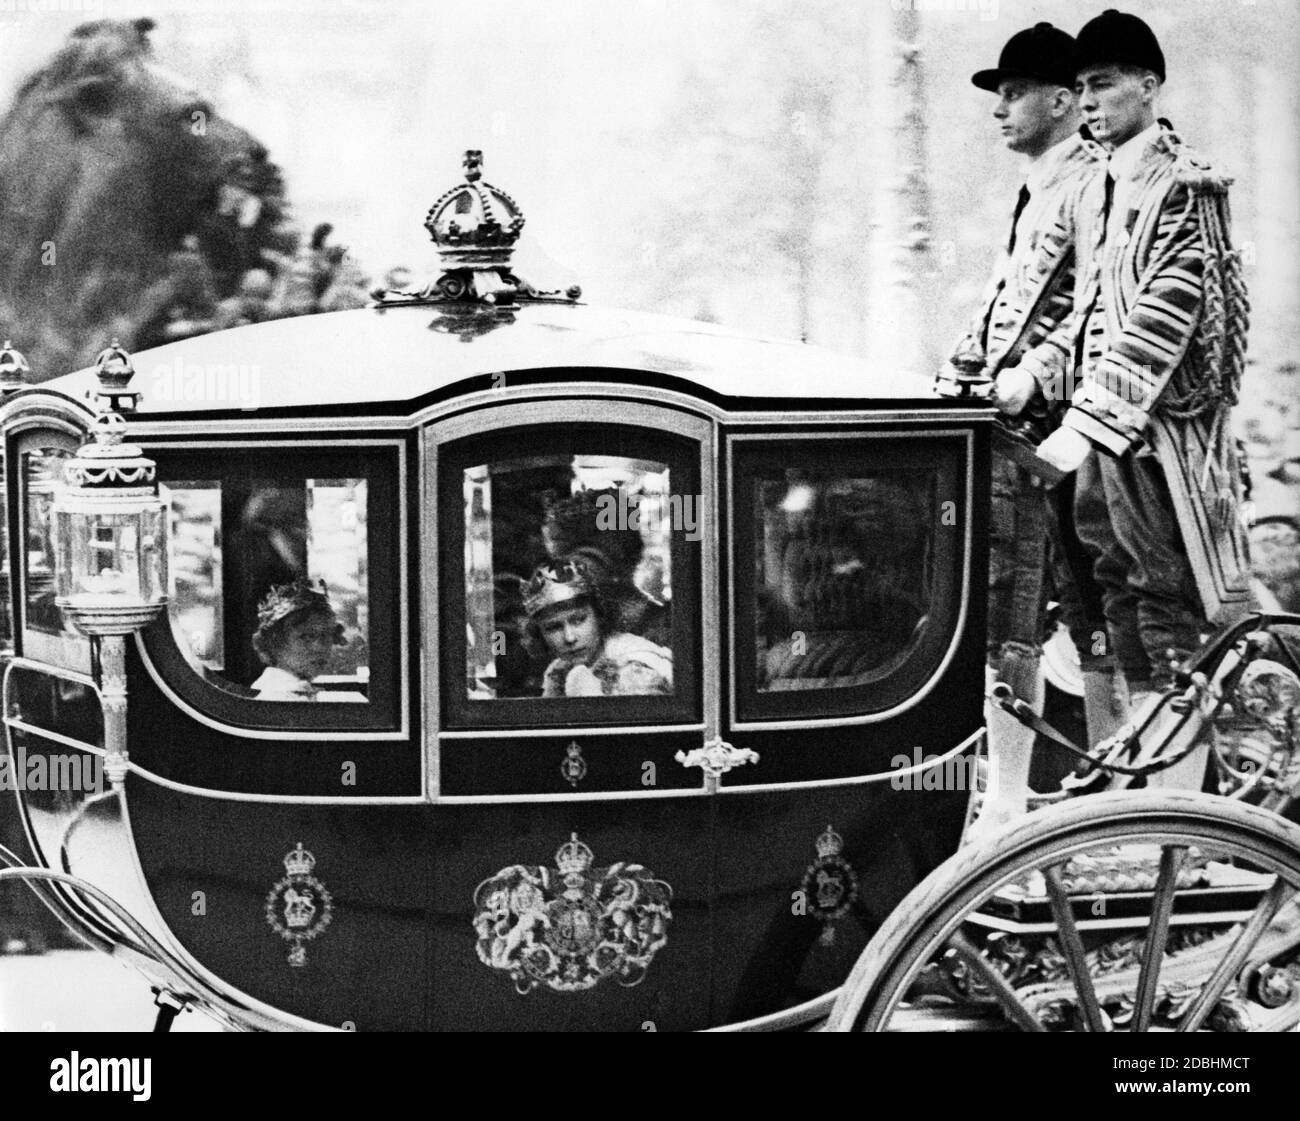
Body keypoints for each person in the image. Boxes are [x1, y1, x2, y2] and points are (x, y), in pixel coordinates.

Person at [1032, 11, 1252, 737]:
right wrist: (1043, 373)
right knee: (1121, 594)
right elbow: (1089, 310)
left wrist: (1088, 419)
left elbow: (1168, 311)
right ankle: (1156, 771)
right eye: (1081, 89)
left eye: (1104, 84)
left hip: (1163, 441)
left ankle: (1187, 799)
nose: (1088, 102)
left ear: (1149, 85)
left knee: (1168, 603)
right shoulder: (1102, 190)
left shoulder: (1186, 185)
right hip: (1108, 440)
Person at [939, 22, 1117, 830]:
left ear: (1061, 100)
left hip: (1060, 432)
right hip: (1022, 430)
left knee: (1087, 620)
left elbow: (1097, 308)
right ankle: (1011, 801)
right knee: (1021, 617)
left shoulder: (1092, 180)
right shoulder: (1043, 182)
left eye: (1013, 93)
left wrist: (1033, 374)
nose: (999, 109)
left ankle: (1090, 803)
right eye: (999, 95)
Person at [522, 555, 672, 698]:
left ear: (599, 615)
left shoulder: (635, 665)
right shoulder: (558, 670)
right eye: (553, 627)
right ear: (539, 634)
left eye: (579, 620)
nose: (570, 637)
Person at [250, 579, 363, 701]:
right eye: (306, 637)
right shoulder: (278, 697)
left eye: (326, 635)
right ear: (274, 643)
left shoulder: (303, 692)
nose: (320, 647)